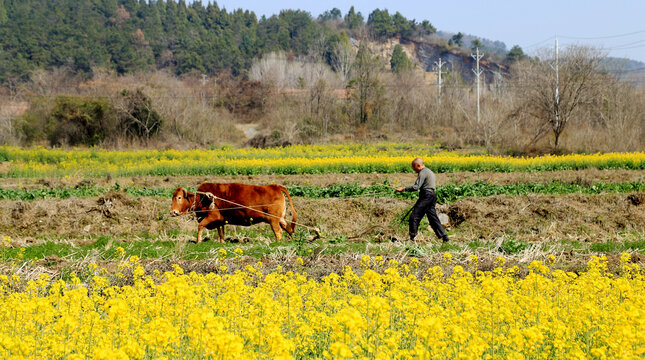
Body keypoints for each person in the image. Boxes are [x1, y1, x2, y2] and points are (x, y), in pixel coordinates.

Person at [396, 157, 449, 243]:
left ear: (419, 165)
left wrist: (404, 189)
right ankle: (444, 236)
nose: (414, 169)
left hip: (426, 196)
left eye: (414, 167)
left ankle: (413, 237)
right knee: (432, 218)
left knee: (414, 216)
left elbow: (416, 187)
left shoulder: (422, 172)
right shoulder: (429, 171)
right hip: (432, 195)